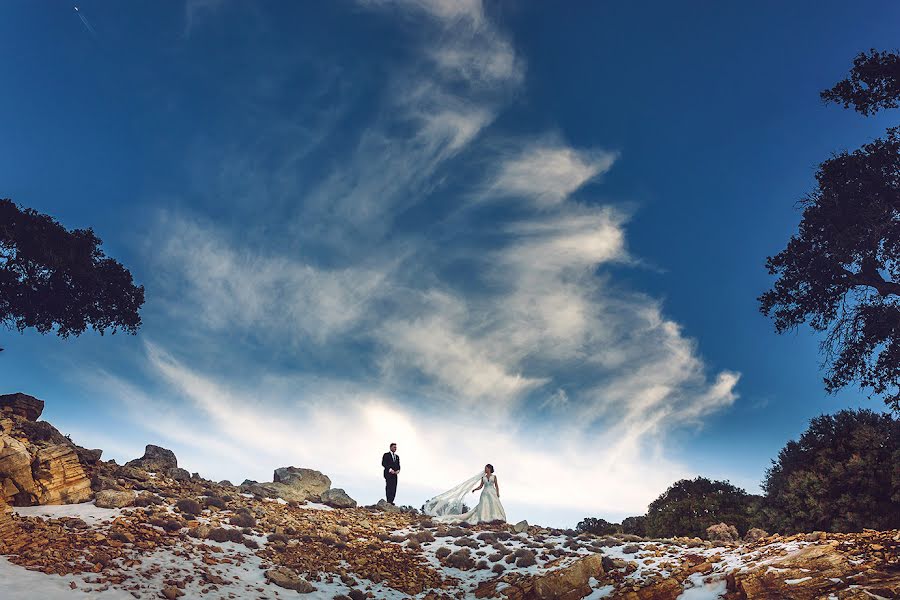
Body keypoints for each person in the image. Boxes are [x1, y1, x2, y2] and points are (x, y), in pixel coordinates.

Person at [423, 464, 506, 524]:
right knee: (484, 505)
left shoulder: (494, 477)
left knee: (493, 505)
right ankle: (484, 518)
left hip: (492, 492)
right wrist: (475, 489)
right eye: (485, 468)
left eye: (486, 468)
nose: (485, 469)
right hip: (484, 493)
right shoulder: (483, 477)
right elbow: (481, 486)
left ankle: (495, 518)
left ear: (490, 469)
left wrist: (498, 493)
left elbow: (496, 485)